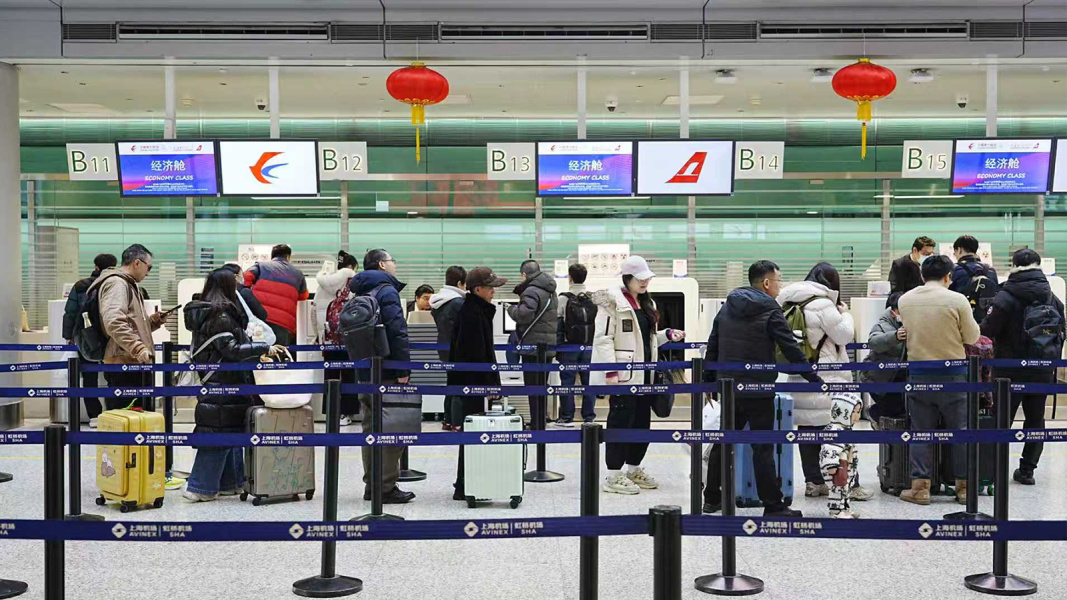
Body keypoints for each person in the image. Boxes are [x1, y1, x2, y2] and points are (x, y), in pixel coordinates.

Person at [703, 260, 824, 518]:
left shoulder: (727, 307)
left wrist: (709, 381)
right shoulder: (770, 309)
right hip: (758, 389)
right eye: (778, 280)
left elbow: (713, 343)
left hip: (729, 387)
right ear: (767, 283)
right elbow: (790, 346)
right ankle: (773, 505)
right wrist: (812, 377)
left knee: (723, 442)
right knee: (762, 447)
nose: (780, 286)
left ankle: (711, 498)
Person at [181, 268, 281, 502]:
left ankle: (229, 483)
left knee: (228, 432)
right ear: (228, 287)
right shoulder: (221, 316)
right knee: (217, 435)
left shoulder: (211, 312)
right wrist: (262, 348)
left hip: (221, 381)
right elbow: (232, 350)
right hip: (224, 382)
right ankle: (200, 487)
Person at [590, 256, 686, 495]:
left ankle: (633, 469)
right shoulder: (612, 303)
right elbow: (603, 340)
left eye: (647, 278)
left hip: (646, 376)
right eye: (640, 279)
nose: (644, 282)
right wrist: (610, 371)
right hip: (624, 376)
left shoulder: (646, 303)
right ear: (627, 278)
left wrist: (667, 334)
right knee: (621, 422)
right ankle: (613, 475)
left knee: (642, 423)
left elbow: (646, 340)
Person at [776, 262, 868, 500]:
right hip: (827, 376)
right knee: (838, 431)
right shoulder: (823, 304)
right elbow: (844, 335)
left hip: (799, 374)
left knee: (807, 430)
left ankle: (814, 482)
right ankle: (848, 485)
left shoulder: (788, 302)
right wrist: (846, 314)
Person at [897, 254, 980, 505]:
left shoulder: (905, 300)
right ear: (948, 276)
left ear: (922, 275)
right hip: (953, 375)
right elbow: (972, 337)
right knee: (960, 432)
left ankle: (920, 488)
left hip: (919, 373)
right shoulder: (957, 300)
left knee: (920, 432)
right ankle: (964, 488)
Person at [980, 248, 1066, 486]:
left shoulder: (1005, 296)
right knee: (1036, 418)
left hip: (1008, 369)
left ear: (1014, 265)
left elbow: (988, 329)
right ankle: (1027, 470)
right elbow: (1062, 330)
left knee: (1002, 418)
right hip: (1042, 367)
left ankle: (995, 469)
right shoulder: (1051, 296)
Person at [349, 249, 415, 504]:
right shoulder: (387, 291)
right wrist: (403, 370)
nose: (394, 265)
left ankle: (372, 484)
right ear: (381, 265)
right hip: (386, 372)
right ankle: (385, 487)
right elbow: (397, 332)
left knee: (370, 429)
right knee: (392, 430)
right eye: (392, 261)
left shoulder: (359, 292)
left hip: (364, 370)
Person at [447, 267, 507, 500]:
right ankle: (465, 485)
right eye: (491, 287)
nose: (494, 291)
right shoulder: (473, 314)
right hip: (471, 385)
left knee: (474, 433)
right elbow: (474, 354)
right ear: (478, 289)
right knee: (473, 434)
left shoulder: (477, 310)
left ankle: (468, 482)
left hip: (472, 383)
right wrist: (488, 384)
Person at [87, 244, 166, 410]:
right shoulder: (117, 283)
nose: (148, 273)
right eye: (149, 267)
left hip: (130, 361)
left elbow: (130, 324)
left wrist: (153, 322)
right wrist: (138, 348)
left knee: (138, 417)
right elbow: (114, 322)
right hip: (125, 364)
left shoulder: (128, 284)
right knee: (126, 417)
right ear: (137, 263)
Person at [63, 253, 117, 425]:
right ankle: (114, 413)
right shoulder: (116, 284)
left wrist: (69, 336)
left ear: (96, 267)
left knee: (89, 376)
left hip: (87, 336)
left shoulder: (81, 286)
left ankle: (94, 415)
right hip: (111, 336)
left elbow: (70, 312)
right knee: (113, 375)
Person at [507, 259, 559, 425]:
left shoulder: (531, 291)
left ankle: (537, 423)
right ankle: (540, 421)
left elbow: (523, 315)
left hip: (532, 347)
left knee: (532, 387)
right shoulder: (550, 291)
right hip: (547, 346)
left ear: (524, 275)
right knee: (541, 387)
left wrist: (510, 309)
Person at [316, 250, 360, 426]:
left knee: (330, 374)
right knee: (349, 374)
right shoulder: (354, 281)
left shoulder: (323, 283)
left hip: (328, 336)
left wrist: (319, 333)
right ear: (352, 266)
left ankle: (331, 412)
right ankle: (347, 413)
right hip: (350, 337)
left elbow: (314, 309)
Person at [555, 263, 597, 426]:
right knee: (589, 381)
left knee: (567, 381)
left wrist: (557, 348)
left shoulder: (563, 298)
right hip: (589, 346)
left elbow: (559, 324)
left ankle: (567, 416)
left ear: (570, 277)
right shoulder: (592, 298)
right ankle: (589, 416)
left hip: (569, 346)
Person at [244, 243, 309, 346]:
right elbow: (303, 296)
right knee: (279, 353)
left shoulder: (261, 266)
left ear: (272, 256)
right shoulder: (298, 274)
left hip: (260, 319)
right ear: (288, 257)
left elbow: (245, 278)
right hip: (283, 324)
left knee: (259, 352)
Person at [430, 266, 467, 431]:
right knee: (460, 384)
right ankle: (458, 422)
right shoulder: (458, 302)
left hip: (443, 346)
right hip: (458, 347)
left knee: (451, 382)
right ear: (459, 283)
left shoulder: (439, 301)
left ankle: (448, 420)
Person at [862, 292, 908, 424]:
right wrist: (895, 337)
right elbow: (874, 341)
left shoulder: (910, 323)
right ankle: (874, 414)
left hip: (900, 378)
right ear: (893, 312)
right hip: (879, 380)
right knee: (892, 409)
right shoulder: (882, 325)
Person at [820, 394, 863, 519]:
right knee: (837, 489)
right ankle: (836, 511)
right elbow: (829, 448)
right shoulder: (834, 430)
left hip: (847, 466)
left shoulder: (846, 429)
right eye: (854, 412)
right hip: (838, 468)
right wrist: (831, 466)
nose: (857, 416)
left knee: (845, 489)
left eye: (858, 412)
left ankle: (845, 508)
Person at [949, 235, 999, 324]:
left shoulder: (953, 269)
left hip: (961, 320)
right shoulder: (990, 270)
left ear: (959, 250)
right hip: (985, 321)